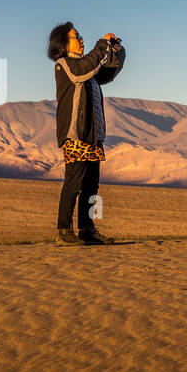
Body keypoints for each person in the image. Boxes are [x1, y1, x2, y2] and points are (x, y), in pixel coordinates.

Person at [46, 21, 126, 245]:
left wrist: (115, 49)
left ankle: (87, 229)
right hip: (76, 135)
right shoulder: (66, 65)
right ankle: (63, 230)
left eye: (80, 36)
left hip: (92, 136)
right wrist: (102, 43)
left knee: (92, 185)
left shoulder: (86, 69)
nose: (81, 39)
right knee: (74, 182)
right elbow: (86, 68)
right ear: (62, 43)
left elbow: (106, 73)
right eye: (75, 36)